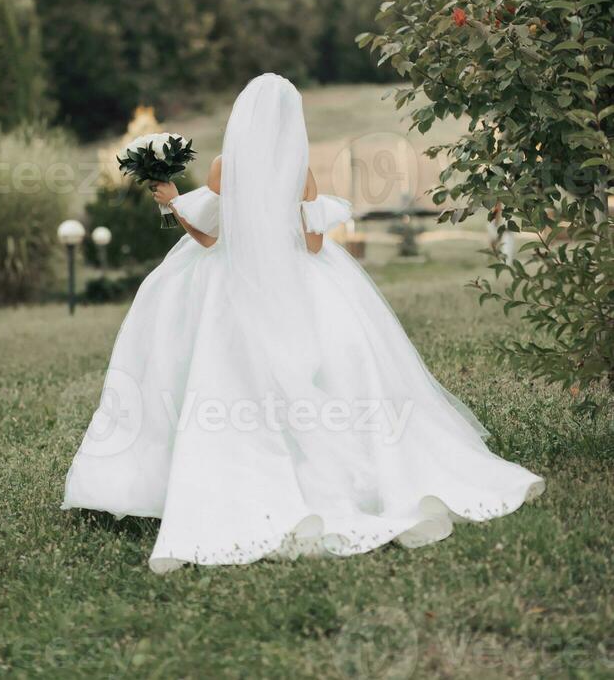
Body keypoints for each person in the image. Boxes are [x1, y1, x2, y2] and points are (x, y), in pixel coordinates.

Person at [63, 74, 544, 571]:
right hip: (300, 281)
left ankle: (182, 480)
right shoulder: (300, 170)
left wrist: (171, 201)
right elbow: (314, 244)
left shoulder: (224, 168)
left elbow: (210, 239)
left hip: (232, 282)